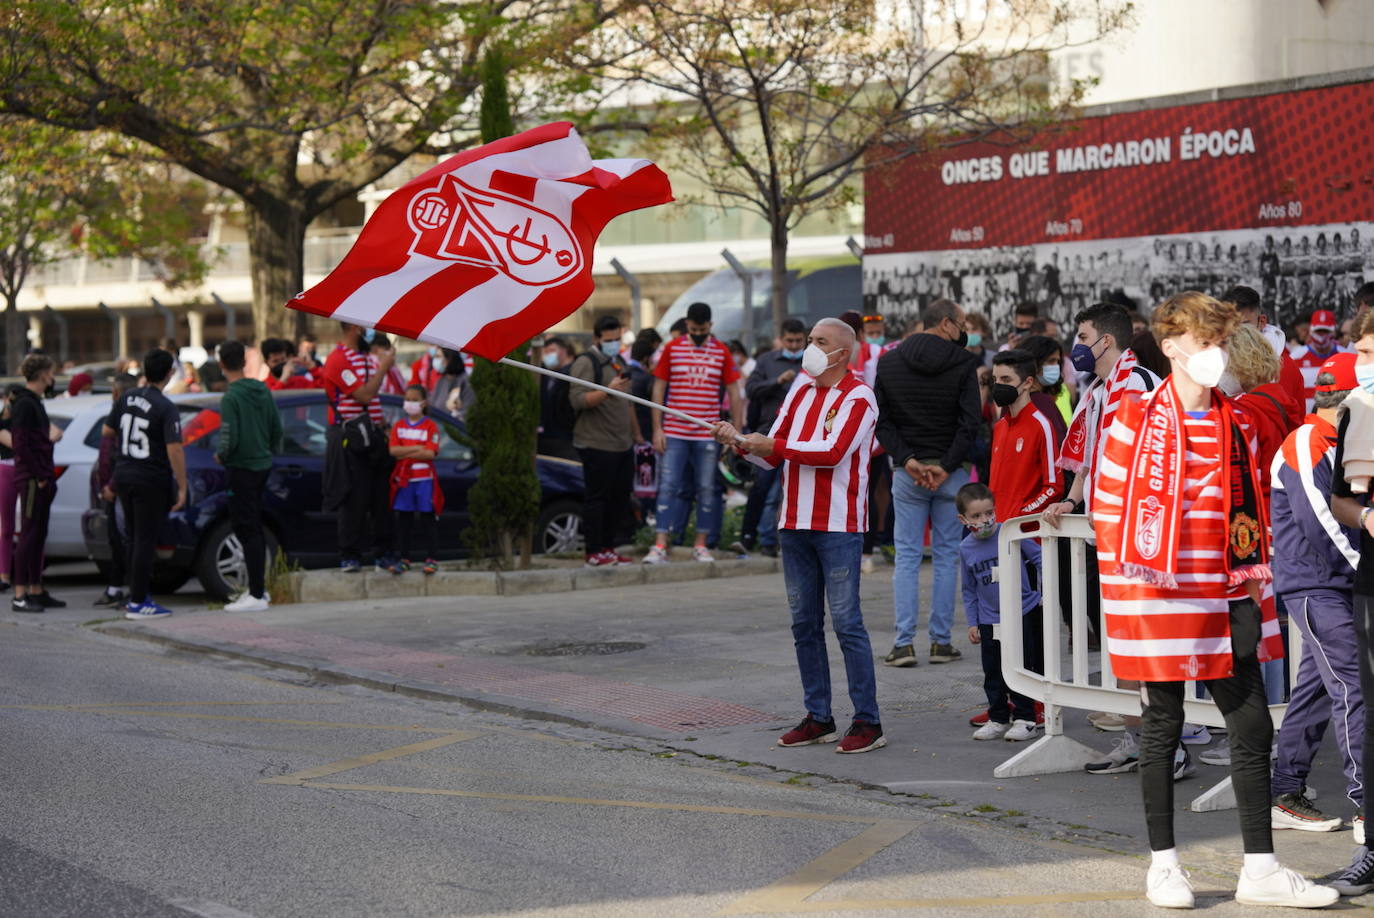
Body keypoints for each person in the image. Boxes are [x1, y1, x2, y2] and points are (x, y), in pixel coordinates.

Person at [1094, 291, 1335, 909]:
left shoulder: (1237, 420)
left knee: (1250, 725)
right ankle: (1164, 866)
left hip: (1228, 591)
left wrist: (1256, 576)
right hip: (1159, 596)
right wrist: (1132, 604)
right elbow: (1109, 514)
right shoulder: (1133, 418)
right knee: (1162, 725)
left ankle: (1261, 868)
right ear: (1171, 347)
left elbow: (1251, 506)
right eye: (1205, 343)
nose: (1216, 355)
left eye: (1222, 343)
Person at [710, 317, 885, 754]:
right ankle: (818, 717)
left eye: (819, 341)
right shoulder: (800, 390)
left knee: (847, 624)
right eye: (809, 340)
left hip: (838, 525)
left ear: (842, 352)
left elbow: (832, 453)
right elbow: (774, 456)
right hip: (793, 523)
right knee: (804, 625)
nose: (810, 347)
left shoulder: (860, 396)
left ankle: (868, 721)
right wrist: (742, 443)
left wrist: (770, 446)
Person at [1269, 353, 1363, 839]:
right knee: (1354, 689)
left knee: (1316, 690)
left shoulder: (1334, 441)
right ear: (1348, 402)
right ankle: (1367, 804)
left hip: (1330, 584)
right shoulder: (1307, 443)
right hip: (1318, 585)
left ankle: (1285, 791)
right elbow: (1321, 522)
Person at [874, 298, 980, 667]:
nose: (965, 331)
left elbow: (882, 422)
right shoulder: (964, 363)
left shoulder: (888, 362)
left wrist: (908, 459)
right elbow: (970, 422)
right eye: (962, 324)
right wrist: (946, 466)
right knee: (947, 556)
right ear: (946, 323)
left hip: (908, 474)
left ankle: (903, 644)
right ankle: (940, 642)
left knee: (906, 557)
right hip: (951, 474)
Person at [1328, 308, 1374, 895]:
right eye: (1359, 351)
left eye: (1367, 351)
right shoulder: (1356, 412)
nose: (1360, 363)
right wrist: (1365, 517)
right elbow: (1340, 498)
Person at [647, 302, 742, 564]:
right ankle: (660, 544)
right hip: (675, 431)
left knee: (707, 488)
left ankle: (701, 545)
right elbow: (658, 387)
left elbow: (735, 391)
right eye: (693, 329)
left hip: (707, 433)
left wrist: (735, 432)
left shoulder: (721, 351)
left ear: (710, 326)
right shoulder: (672, 348)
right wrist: (657, 429)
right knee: (668, 486)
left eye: (703, 329)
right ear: (687, 324)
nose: (698, 333)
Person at [958, 482, 1044, 742]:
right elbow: (968, 589)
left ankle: (1026, 718)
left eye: (988, 512)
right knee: (993, 671)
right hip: (989, 619)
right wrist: (973, 622)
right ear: (963, 519)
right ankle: (998, 717)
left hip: (1022, 611)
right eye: (976, 516)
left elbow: (1040, 557)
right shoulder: (965, 549)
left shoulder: (1010, 533)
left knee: (1021, 667)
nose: (984, 520)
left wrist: (1044, 592)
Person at [105, 348, 187, 621]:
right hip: (149, 478)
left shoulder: (127, 397)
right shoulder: (165, 407)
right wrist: (182, 486)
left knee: (133, 537)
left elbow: (107, 430)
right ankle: (139, 601)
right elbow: (174, 449)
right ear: (170, 373)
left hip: (124, 474)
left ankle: (135, 596)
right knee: (144, 540)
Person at [322, 323, 397, 573]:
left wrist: (384, 428)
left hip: (375, 436)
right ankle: (350, 555)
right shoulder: (338, 360)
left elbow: (373, 402)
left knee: (380, 498)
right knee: (354, 497)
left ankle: (383, 552)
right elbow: (363, 395)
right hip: (352, 438)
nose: (370, 329)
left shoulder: (367, 357)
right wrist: (384, 367)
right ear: (354, 327)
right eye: (365, 326)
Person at [216, 341, 283, 612]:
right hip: (262, 465)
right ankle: (258, 590)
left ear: (222, 364)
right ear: (244, 362)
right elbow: (277, 429)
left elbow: (228, 436)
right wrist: (266, 450)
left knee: (246, 528)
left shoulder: (231, 398)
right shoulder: (263, 390)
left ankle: (256, 593)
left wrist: (221, 455)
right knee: (254, 526)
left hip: (241, 467)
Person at [568, 315, 637, 567]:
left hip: (623, 444)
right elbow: (577, 400)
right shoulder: (586, 362)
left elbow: (628, 402)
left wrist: (637, 434)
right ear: (597, 338)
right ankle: (593, 550)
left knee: (619, 498)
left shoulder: (619, 361)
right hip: (596, 444)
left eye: (618, 339)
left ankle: (608, 548)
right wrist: (607, 391)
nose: (614, 343)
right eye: (609, 340)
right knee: (597, 499)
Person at [736, 318, 806, 557]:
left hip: (800, 436)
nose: (794, 346)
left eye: (798, 341)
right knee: (762, 488)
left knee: (784, 492)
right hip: (770, 431)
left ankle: (772, 541)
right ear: (781, 339)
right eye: (790, 341)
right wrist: (777, 381)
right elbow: (751, 390)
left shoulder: (811, 363)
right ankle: (749, 537)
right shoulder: (767, 361)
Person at [9, 357, 66, 613]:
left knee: (39, 533)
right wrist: (40, 475)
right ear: (43, 374)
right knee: (28, 534)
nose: (53, 378)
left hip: (42, 475)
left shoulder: (34, 402)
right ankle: (20, 594)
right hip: (32, 478)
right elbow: (21, 445)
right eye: (51, 372)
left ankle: (36, 589)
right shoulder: (24, 404)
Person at [988, 349, 1063, 521]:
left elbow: (1054, 488)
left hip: (1021, 531)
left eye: (1006, 379)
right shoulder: (999, 427)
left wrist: (1020, 515)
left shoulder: (1042, 425)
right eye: (995, 379)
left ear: (1028, 382)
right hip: (997, 529)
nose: (998, 385)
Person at [388, 384, 443, 576]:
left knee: (428, 519)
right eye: (407, 400)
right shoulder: (399, 426)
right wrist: (417, 448)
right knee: (404, 521)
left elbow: (430, 453)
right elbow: (393, 451)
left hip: (424, 480)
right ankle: (404, 559)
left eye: (414, 400)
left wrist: (406, 452)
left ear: (423, 403)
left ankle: (432, 559)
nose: (410, 403)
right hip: (404, 480)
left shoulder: (430, 426)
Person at [1224, 284, 1306, 409]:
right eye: (1231, 325)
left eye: (1245, 325)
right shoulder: (1213, 365)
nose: (1237, 332)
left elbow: (1286, 418)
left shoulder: (1284, 367)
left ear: (1261, 322)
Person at [91, 375, 134, 608]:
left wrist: (112, 486)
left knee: (126, 540)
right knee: (116, 540)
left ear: (117, 393)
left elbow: (123, 456)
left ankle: (133, 590)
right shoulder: (115, 416)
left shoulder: (126, 419)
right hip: (111, 487)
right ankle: (115, 587)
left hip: (120, 487)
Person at [1294, 309, 1348, 412]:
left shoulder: (1344, 356)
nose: (1321, 335)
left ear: (1333, 332)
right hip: (1305, 419)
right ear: (1311, 330)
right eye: (1318, 331)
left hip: (1336, 418)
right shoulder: (1296, 357)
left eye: (1325, 331)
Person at [537, 336, 578, 460]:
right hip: (546, 435)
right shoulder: (547, 374)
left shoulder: (572, 373)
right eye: (545, 352)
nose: (548, 355)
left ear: (564, 351)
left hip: (565, 437)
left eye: (552, 350)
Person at [0, 385, 19, 595]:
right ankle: (4, 575)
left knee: (32, 527)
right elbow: (15, 443)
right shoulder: (2, 422)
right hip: (6, 469)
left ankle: (32, 577)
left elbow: (54, 433)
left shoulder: (25, 419)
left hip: (26, 469)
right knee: (6, 528)